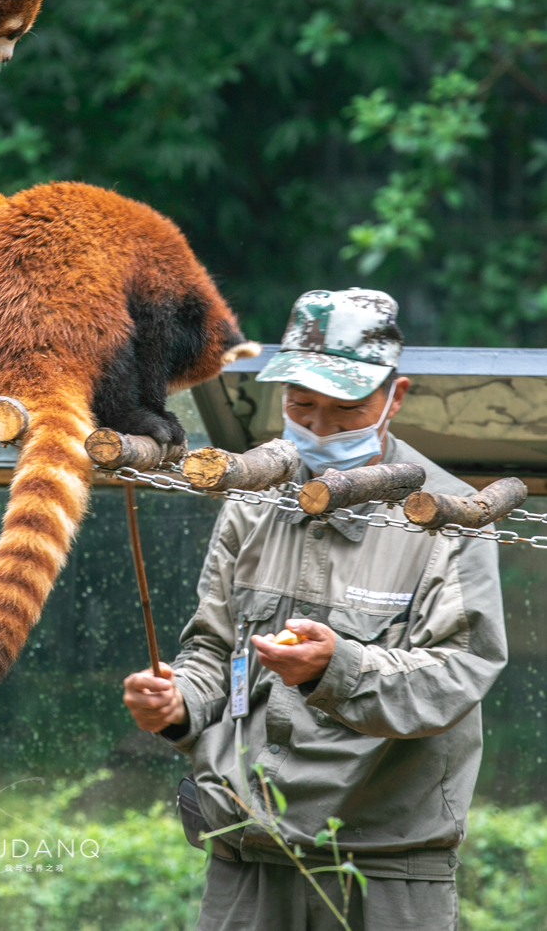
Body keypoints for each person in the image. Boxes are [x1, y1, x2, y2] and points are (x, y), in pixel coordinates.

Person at [123, 288, 507, 931]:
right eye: (301, 405)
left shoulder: (448, 518)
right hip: (246, 855)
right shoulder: (253, 501)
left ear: (396, 396)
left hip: (385, 871)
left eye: (348, 410)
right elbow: (214, 650)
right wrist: (178, 701)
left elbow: (458, 675)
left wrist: (338, 668)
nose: (320, 428)